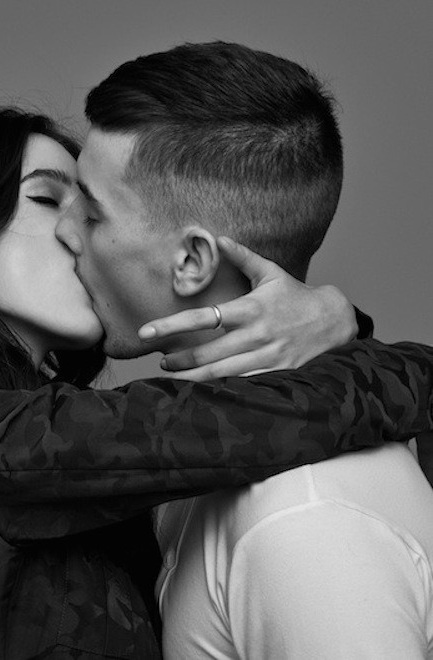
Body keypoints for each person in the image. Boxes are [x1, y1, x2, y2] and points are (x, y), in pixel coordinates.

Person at [0, 106, 433, 659]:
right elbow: (267, 423)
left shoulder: (60, 451)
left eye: (94, 212)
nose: (81, 235)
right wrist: (339, 323)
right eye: (49, 200)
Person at [58, 41, 433, 658]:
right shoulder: (208, 443)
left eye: (92, 214)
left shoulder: (306, 522)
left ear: (192, 261)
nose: (63, 229)